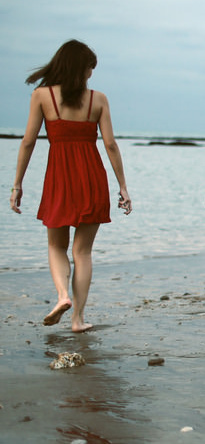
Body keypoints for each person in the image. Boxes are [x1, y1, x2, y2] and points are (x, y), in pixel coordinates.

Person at [9, 39, 132, 332]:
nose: (92, 74)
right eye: (91, 68)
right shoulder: (98, 99)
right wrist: (123, 187)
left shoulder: (42, 96)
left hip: (60, 178)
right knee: (83, 252)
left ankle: (62, 296)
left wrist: (17, 184)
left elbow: (28, 142)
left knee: (55, 245)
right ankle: (77, 319)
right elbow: (111, 145)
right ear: (82, 68)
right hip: (92, 177)